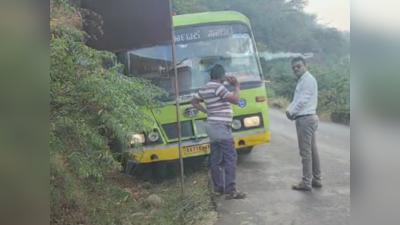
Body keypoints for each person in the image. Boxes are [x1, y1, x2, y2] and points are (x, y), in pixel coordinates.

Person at [190, 64, 246, 200]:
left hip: (212, 126)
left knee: (215, 159)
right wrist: (236, 85)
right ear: (222, 76)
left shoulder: (204, 88)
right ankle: (231, 190)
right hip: (221, 127)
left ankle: (218, 189)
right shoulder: (218, 87)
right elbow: (235, 100)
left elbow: (193, 101)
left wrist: (207, 111)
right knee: (230, 157)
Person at [286, 56, 322, 191]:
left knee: (305, 152)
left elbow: (303, 100)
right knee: (312, 151)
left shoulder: (308, 80)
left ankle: (306, 182)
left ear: (305, 66)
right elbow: (297, 99)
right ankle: (316, 179)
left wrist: (291, 112)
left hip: (305, 119)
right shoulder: (303, 80)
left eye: (298, 66)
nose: (296, 69)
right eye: (294, 67)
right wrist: (289, 110)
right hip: (307, 118)